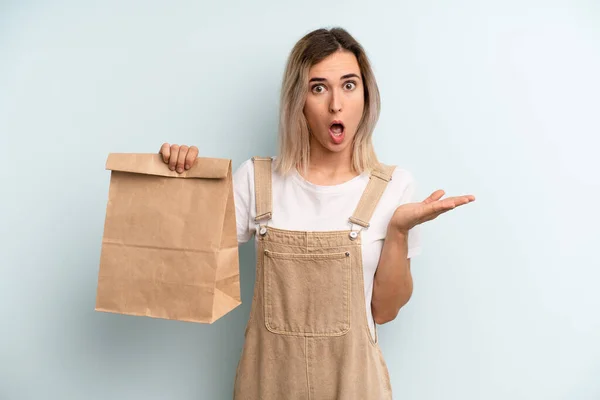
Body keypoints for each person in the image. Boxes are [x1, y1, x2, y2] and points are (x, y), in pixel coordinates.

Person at [159, 27, 475, 400]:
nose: (336, 105)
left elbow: (386, 311)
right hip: (268, 386)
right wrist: (178, 180)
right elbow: (184, 266)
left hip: (356, 387)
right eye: (318, 87)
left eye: (349, 85)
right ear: (298, 101)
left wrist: (399, 231)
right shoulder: (257, 180)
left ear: (366, 96)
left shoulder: (394, 188)